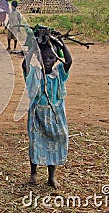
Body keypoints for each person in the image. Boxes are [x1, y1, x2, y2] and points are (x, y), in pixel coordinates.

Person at [22, 32, 72, 189]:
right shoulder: (35, 74)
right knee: (36, 143)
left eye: (51, 58)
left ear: (57, 59)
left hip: (56, 116)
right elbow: (25, 65)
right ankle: (33, 173)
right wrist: (33, 47)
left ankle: (51, 177)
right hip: (38, 115)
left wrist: (61, 43)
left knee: (56, 142)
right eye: (44, 58)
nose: (48, 61)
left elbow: (69, 61)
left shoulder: (59, 75)